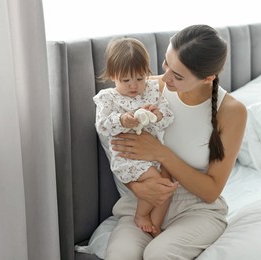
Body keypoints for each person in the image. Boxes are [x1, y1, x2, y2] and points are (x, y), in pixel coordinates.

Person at [105, 24, 247, 260]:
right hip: (144, 201)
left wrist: (161, 153)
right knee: (121, 255)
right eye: (166, 63)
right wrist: (139, 188)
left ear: (208, 78)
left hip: (196, 208)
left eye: (178, 75)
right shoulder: (146, 87)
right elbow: (120, 148)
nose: (165, 77)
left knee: (159, 254)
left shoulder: (231, 111)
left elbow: (211, 191)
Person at [93, 37, 174, 236]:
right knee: (157, 182)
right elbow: (102, 125)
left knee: (168, 184)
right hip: (129, 157)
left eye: (139, 78)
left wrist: (157, 114)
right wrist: (122, 120)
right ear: (113, 76)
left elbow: (168, 118)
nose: (134, 86)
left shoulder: (152, 91)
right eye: (126, 80)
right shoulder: (108, 98)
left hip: (153, 154)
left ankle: (157, 223)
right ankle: (141, 215)